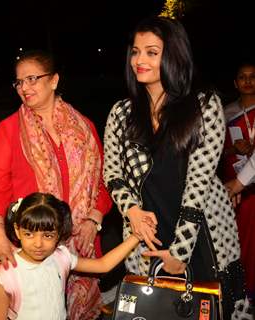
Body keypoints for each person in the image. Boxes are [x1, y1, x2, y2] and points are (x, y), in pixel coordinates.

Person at [103, 15, 253, 319]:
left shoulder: (203, 105)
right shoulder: (122, 113)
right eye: (135, 51)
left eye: (151, 52)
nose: (139, 60)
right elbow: (112, 173)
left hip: (201, 231)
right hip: (146, 235)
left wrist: (180, 252)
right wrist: (130, 210)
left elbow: (198, 183)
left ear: (173, 56)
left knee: (211, 309)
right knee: (153, 310)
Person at [0, 49, 112, 320]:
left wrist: (93, 219)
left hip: (78, 249)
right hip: (32, 247)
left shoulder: (83, 127)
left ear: (54, 80)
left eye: (32, 79)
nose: (24, 88)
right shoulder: (9, 129)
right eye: (19, 82)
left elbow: (103, 180)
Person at [0, 192, 139, 320]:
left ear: (59, 233)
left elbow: (103, 265)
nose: (38, 244)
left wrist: (136, 236)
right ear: (17, 230)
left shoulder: (61, 257)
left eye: (48, 235)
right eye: (29, 234)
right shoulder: (8, 274)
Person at [222, 60, 255, 304]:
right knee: (237, 236)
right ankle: (238, 286)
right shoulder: (226, 113)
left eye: (252, 76)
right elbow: (216, 152)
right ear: (235, 83)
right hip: (234, 184)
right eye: (242, 77)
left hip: (250, 183)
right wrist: (233, 147)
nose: (247, 81)